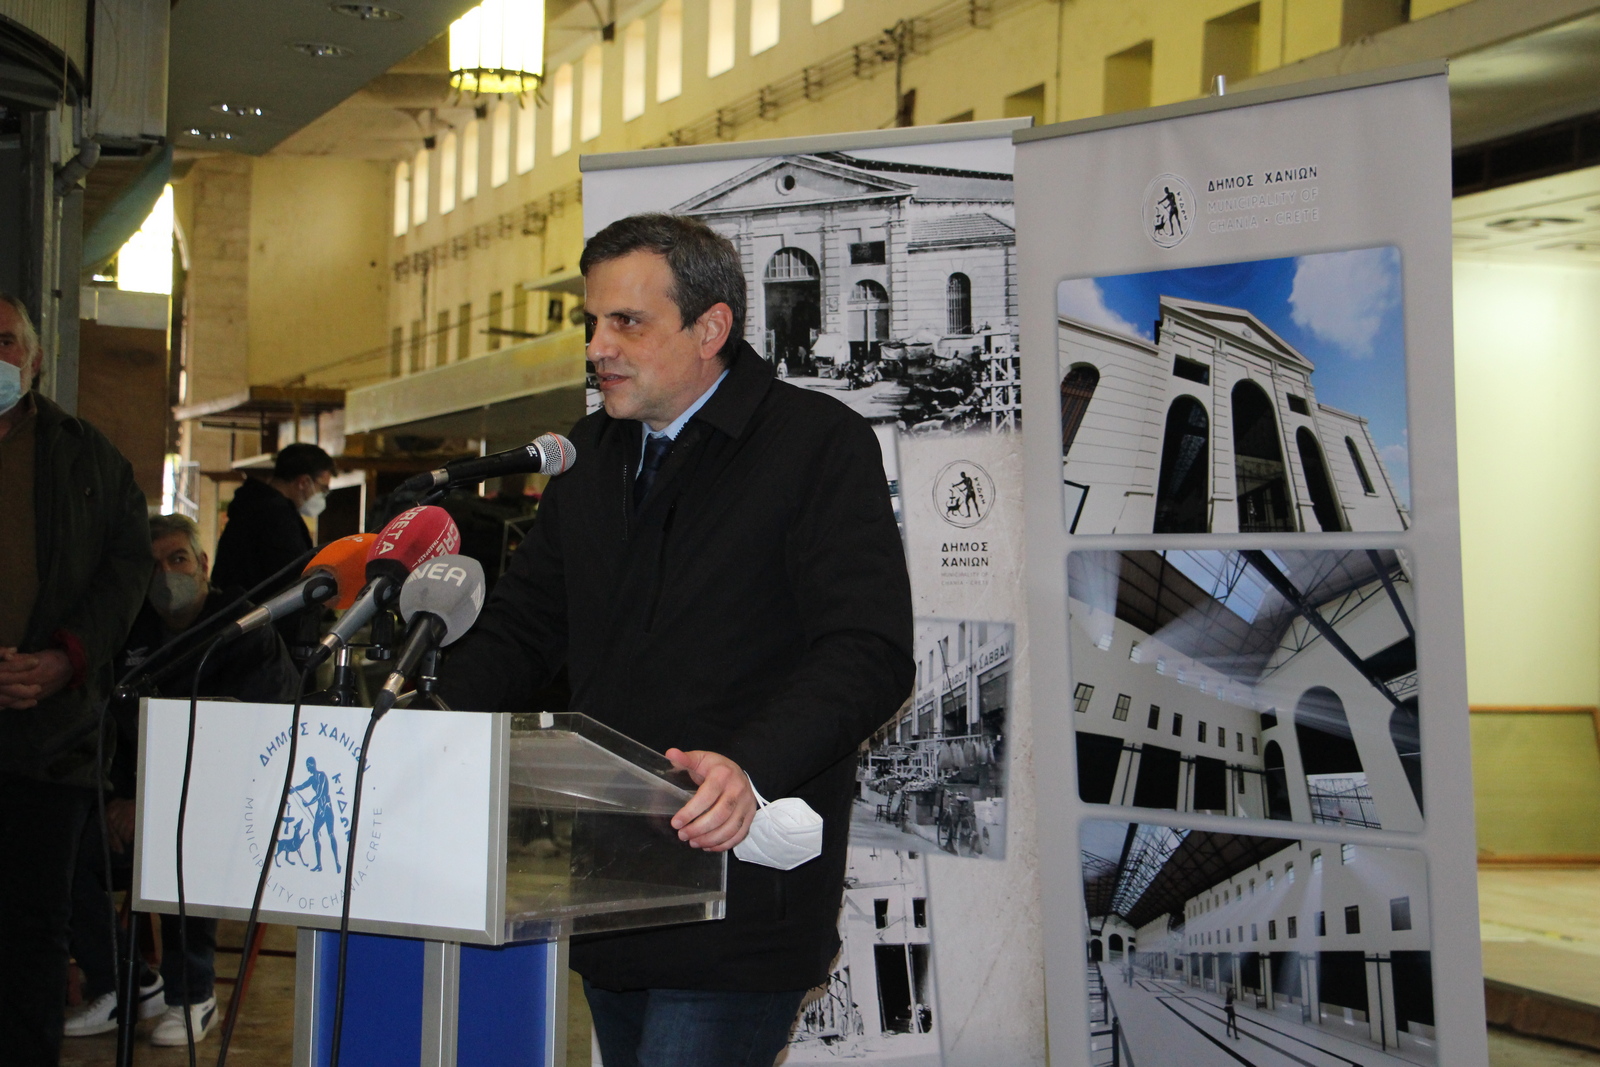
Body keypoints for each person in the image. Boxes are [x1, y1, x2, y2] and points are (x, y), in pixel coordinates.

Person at [439, 214, 913, 1066]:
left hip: (739, 892)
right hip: (610, 886)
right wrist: (423, 714)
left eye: (627, 322)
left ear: (711, 327)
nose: (598, 347)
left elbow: (868, 650)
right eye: (593, 322)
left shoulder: (814, 444)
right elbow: (525, 629)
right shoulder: (590, 453)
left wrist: (749, 766)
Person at [63, 513, 299, 1047]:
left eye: (178, 559)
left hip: (235, 809)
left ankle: (192, 993)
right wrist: (118, 799)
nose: (167, 575)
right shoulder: (131, 635)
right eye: (153, 566)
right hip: (140, 805)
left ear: (203, 564)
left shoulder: (246, 630)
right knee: (62, 847)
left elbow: (252, 741)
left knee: (179, 839)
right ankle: (123, 981)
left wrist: (153, 803)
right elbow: (111, 730)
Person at [0, 292, 151, 1067]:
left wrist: (67, 657)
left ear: (33, 357)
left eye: (5, 342)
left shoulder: (87, 457)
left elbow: (126, 572)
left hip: (50, 735)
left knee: (33, 932)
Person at [210, 441, 335, 595]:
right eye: (323, 488)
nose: (323, 495)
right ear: (303, 482)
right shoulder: (275, 516)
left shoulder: (254, 504)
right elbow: (292, 580)